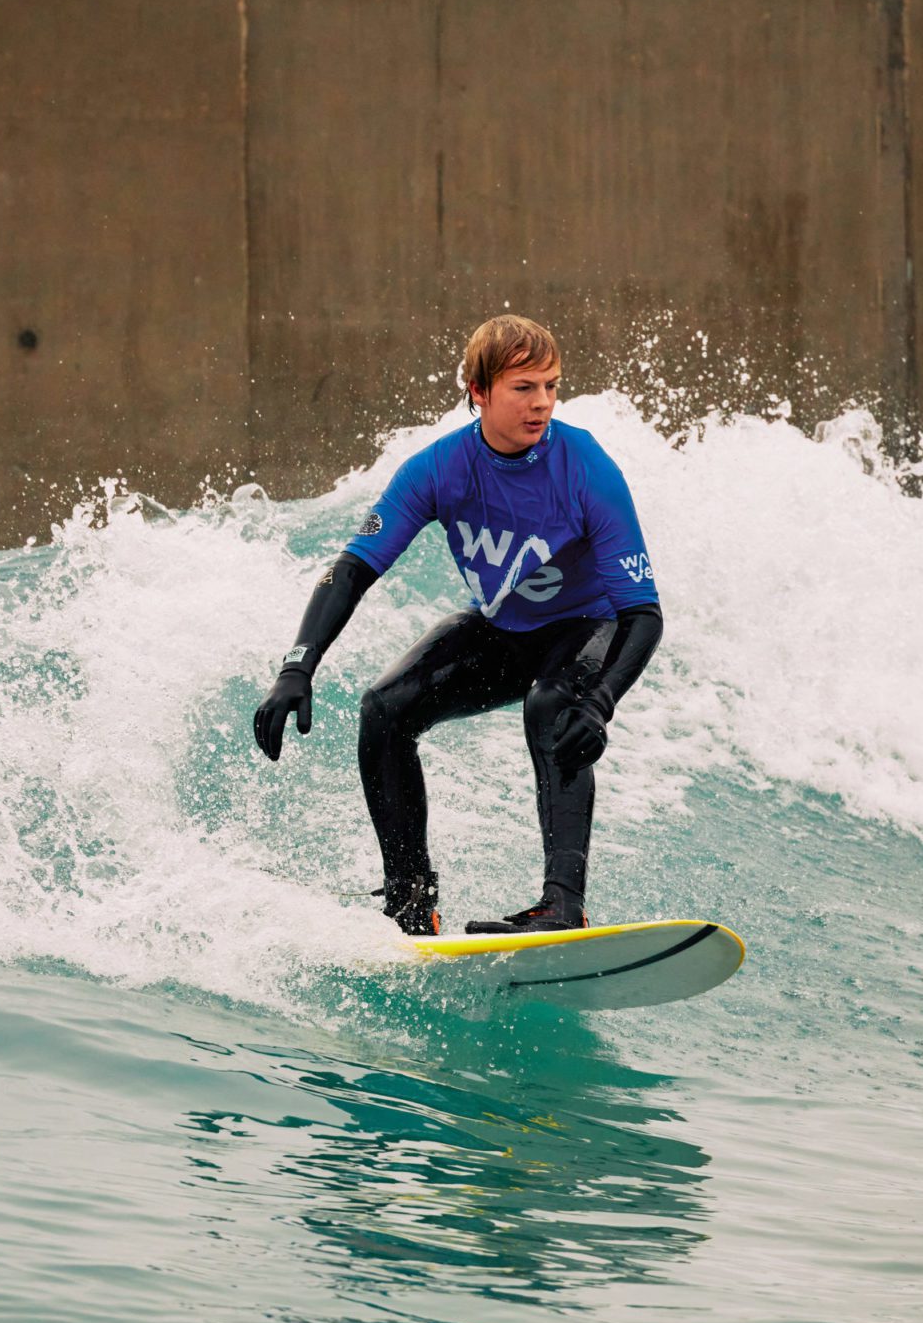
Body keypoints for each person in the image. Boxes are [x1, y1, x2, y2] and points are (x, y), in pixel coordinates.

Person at [252, 316, 663, 935]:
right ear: (479, 391)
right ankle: (411, 900)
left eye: (551, 386)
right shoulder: (439, 469)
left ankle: (562, 906)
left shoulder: (585, 466)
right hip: (505, 627)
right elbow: (351, 570)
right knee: (385, 708)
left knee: (554, 705)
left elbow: (643, 613)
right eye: (524, 387)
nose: (543, 402)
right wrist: (296, 666)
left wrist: (601, 701)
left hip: (588, 627)